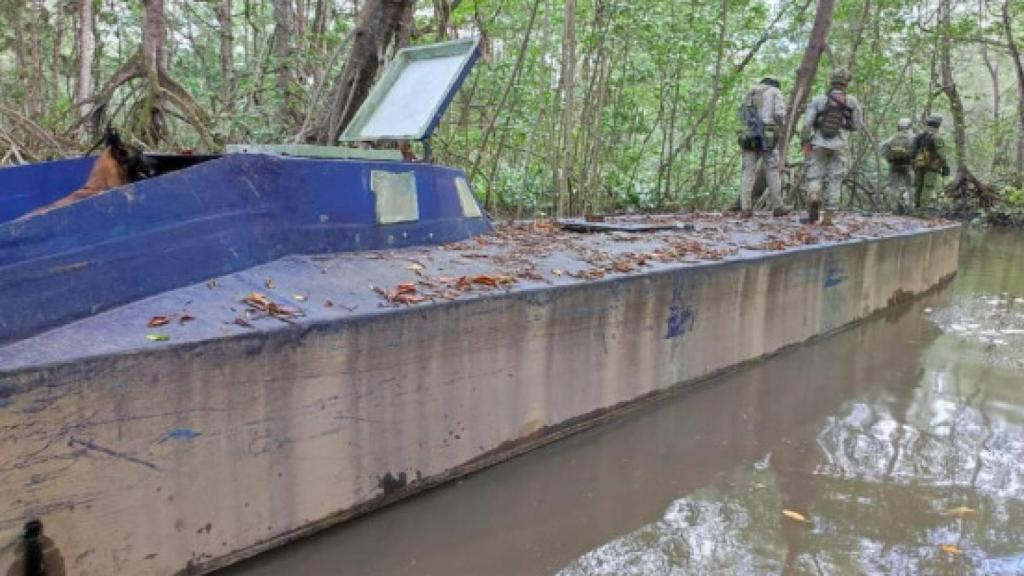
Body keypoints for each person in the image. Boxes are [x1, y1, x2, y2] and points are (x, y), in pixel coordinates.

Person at [800, 68, 863, 226]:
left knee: (814, 175)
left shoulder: (818, 99)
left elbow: (807, 124)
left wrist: (805, 141)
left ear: (831, 81)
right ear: (846, 84)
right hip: (840, 145)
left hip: (819, 143)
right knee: (835, 179)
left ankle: (814, 195)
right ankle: (828, 218)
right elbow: (856, 126)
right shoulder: (852, 101)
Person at [737, 76, 791, 218]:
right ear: (775, 84)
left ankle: (745, 208)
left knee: (748, 171)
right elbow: (779, 114)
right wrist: (781, 126)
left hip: (749, 135)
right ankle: (778, 206)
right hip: (768, 135)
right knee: (772, 169)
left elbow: (742, 115)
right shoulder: (775, 92)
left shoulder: (750, 93)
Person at [911, 114, 950, 211]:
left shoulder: (919, 136)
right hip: (931, 166)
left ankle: (916, 207)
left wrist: (914, 164)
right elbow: (942, 154)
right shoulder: (936, 137)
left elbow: (912, 152)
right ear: (938, 125)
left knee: (919, 186)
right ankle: (923, 210)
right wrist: (945, 166)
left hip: (919, 165)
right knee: (927, 187)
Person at [880, 118, 915, 213]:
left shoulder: (892, 138)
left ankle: (893, 208)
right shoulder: (913, 138)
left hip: (894, 166)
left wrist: (890, 159)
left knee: (893, 187)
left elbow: (883, 150)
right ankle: (911, 208)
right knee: (910, 187)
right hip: (908, 166)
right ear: (909, 126)